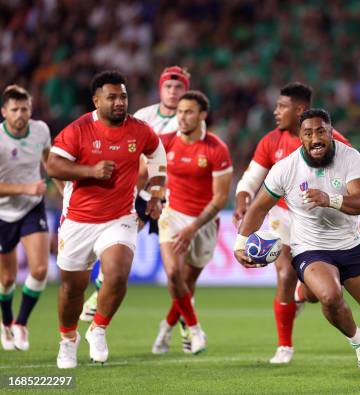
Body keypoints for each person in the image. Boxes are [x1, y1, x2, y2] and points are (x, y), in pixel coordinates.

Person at [235, 109, 360, 385]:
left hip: (352, 248)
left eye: (320, 131)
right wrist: (240, 243)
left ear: (330, 132)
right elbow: (257, 208)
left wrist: (330, 199)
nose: (315, 138)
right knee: (329, 296)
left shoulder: (349, 157)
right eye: (308, 133)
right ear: (300, 138)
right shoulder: (286, 168)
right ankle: (359, 343)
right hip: (310, 248)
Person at [233, 82, 360, 364]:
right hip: (284, 214)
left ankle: (303, 291)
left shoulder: (335, 143)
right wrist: (242, 199)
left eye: (282, 107)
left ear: (300, 110)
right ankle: (285, 346)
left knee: (315, 294)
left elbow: (359, 185)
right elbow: (252, 178)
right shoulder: (270, 141)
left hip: (320, 216)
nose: (276, 112)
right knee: (285, 274)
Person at [47, 70, 167, 368]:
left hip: (119, 217)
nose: (119, 102)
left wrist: (156, 192)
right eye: (111, 97)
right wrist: (90, 171)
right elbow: (53, 165)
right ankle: (67, 340)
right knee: (72, 289)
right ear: (96, 100)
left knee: (117, 273)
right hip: (78, 220)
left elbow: (157, 154)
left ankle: (98, 328)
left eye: (123, 96)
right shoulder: (78, 130)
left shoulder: (139, 130)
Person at [79, 66, 193, 347]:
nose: (173, 92)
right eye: (169, 87)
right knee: (121, 242)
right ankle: (101, 291)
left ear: (186, 91)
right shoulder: (144, 117)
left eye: (179, 88)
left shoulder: (192, 121)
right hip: (144, 196)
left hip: (178, 201)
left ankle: (182, 326)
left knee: (180, 273)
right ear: (160, 88)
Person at [151, 90, 232, 355]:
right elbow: (142, 173)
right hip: (172, 215)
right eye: (179, 112)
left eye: (188, 112)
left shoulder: (216, 149)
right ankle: (196, 331)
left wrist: (193, 227)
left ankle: (166, 328)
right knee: (173, 274)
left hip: (204, 222)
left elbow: (220, 199)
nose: (182, 117)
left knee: (186, 282)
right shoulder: (164, 143)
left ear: (202, 115)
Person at [0, 85, 55, 351]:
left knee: (41, 269)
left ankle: (21, 323)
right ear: (4, 112)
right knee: (7, 278)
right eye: (15, 110)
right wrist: (26, 187)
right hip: (3, 212)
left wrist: (63, 185)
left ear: (31, 109)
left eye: (24, 109)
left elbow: (49, 161)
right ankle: (6, 321)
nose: (20, 114)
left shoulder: (41, 130)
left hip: (33, 207)